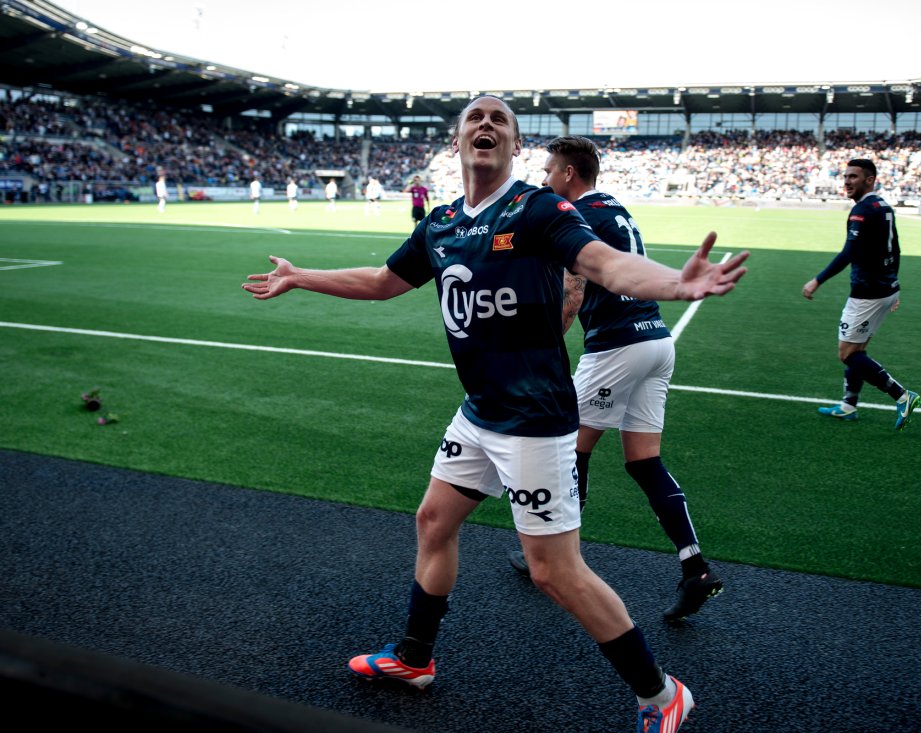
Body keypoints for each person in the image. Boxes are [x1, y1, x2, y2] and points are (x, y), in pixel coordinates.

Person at [242, 95, 749, 733]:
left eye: (499, 120)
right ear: (457, 143)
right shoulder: (443, 222)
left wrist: (676, 282)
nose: (486, 126)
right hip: (478, 412)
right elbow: (383, 280)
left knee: (553, 572)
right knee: (433, 520)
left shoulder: (537, 208)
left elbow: (601, 262)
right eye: (474, 119)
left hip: (535, 421)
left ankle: (660, 693)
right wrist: (301, 275)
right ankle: (413, 659)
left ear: (514, 147)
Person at [505, 135, 723, 622]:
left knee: (569, 449)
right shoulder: (614, 206)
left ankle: (560, 560)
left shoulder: (576, 214)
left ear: (567, 175)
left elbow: (574, 290)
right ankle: (696, 568)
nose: (543, 178)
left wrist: (541, 339)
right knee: (644, 462)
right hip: (656, 340)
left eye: (548, 170)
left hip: (617, 345)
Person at [801, 158, 920, 430]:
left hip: (867, 293)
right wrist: (895, 285)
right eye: (845, 176)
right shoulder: (884, 206)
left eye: (854, 176)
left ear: (869, 179)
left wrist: (817, 280)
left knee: (847, 353)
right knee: (859, 348)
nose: (847, 181)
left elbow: (849, 253)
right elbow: (896, 249)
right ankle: (848, 406)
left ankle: (902, 396)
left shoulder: (863, 210)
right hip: (885, 288)